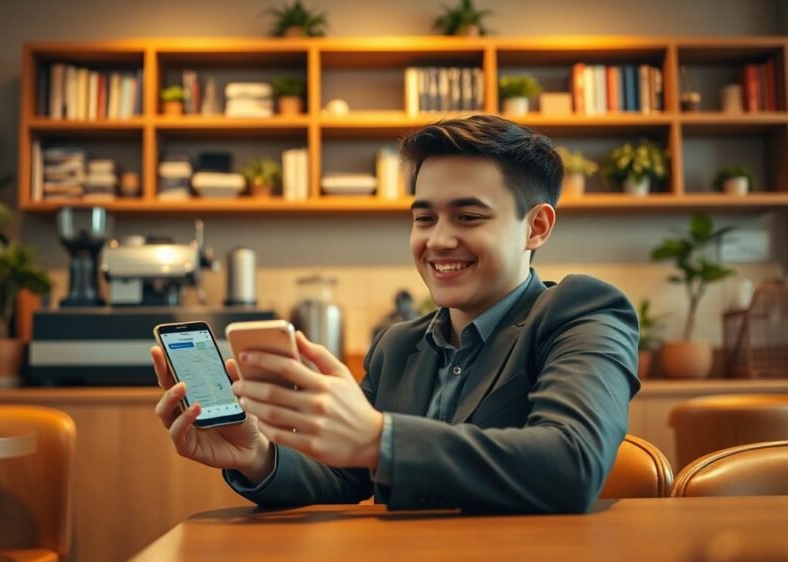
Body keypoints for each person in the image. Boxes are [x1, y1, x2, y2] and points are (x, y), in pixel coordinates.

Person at [151, 115, 640, 513]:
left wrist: (378, 438)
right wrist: (258, 457)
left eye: (468, 217)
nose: (438, 240)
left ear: (536, 227)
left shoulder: (582, 313)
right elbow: (348, 474)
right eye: (423, 218)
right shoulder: (397, 345)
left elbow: (572, 464)